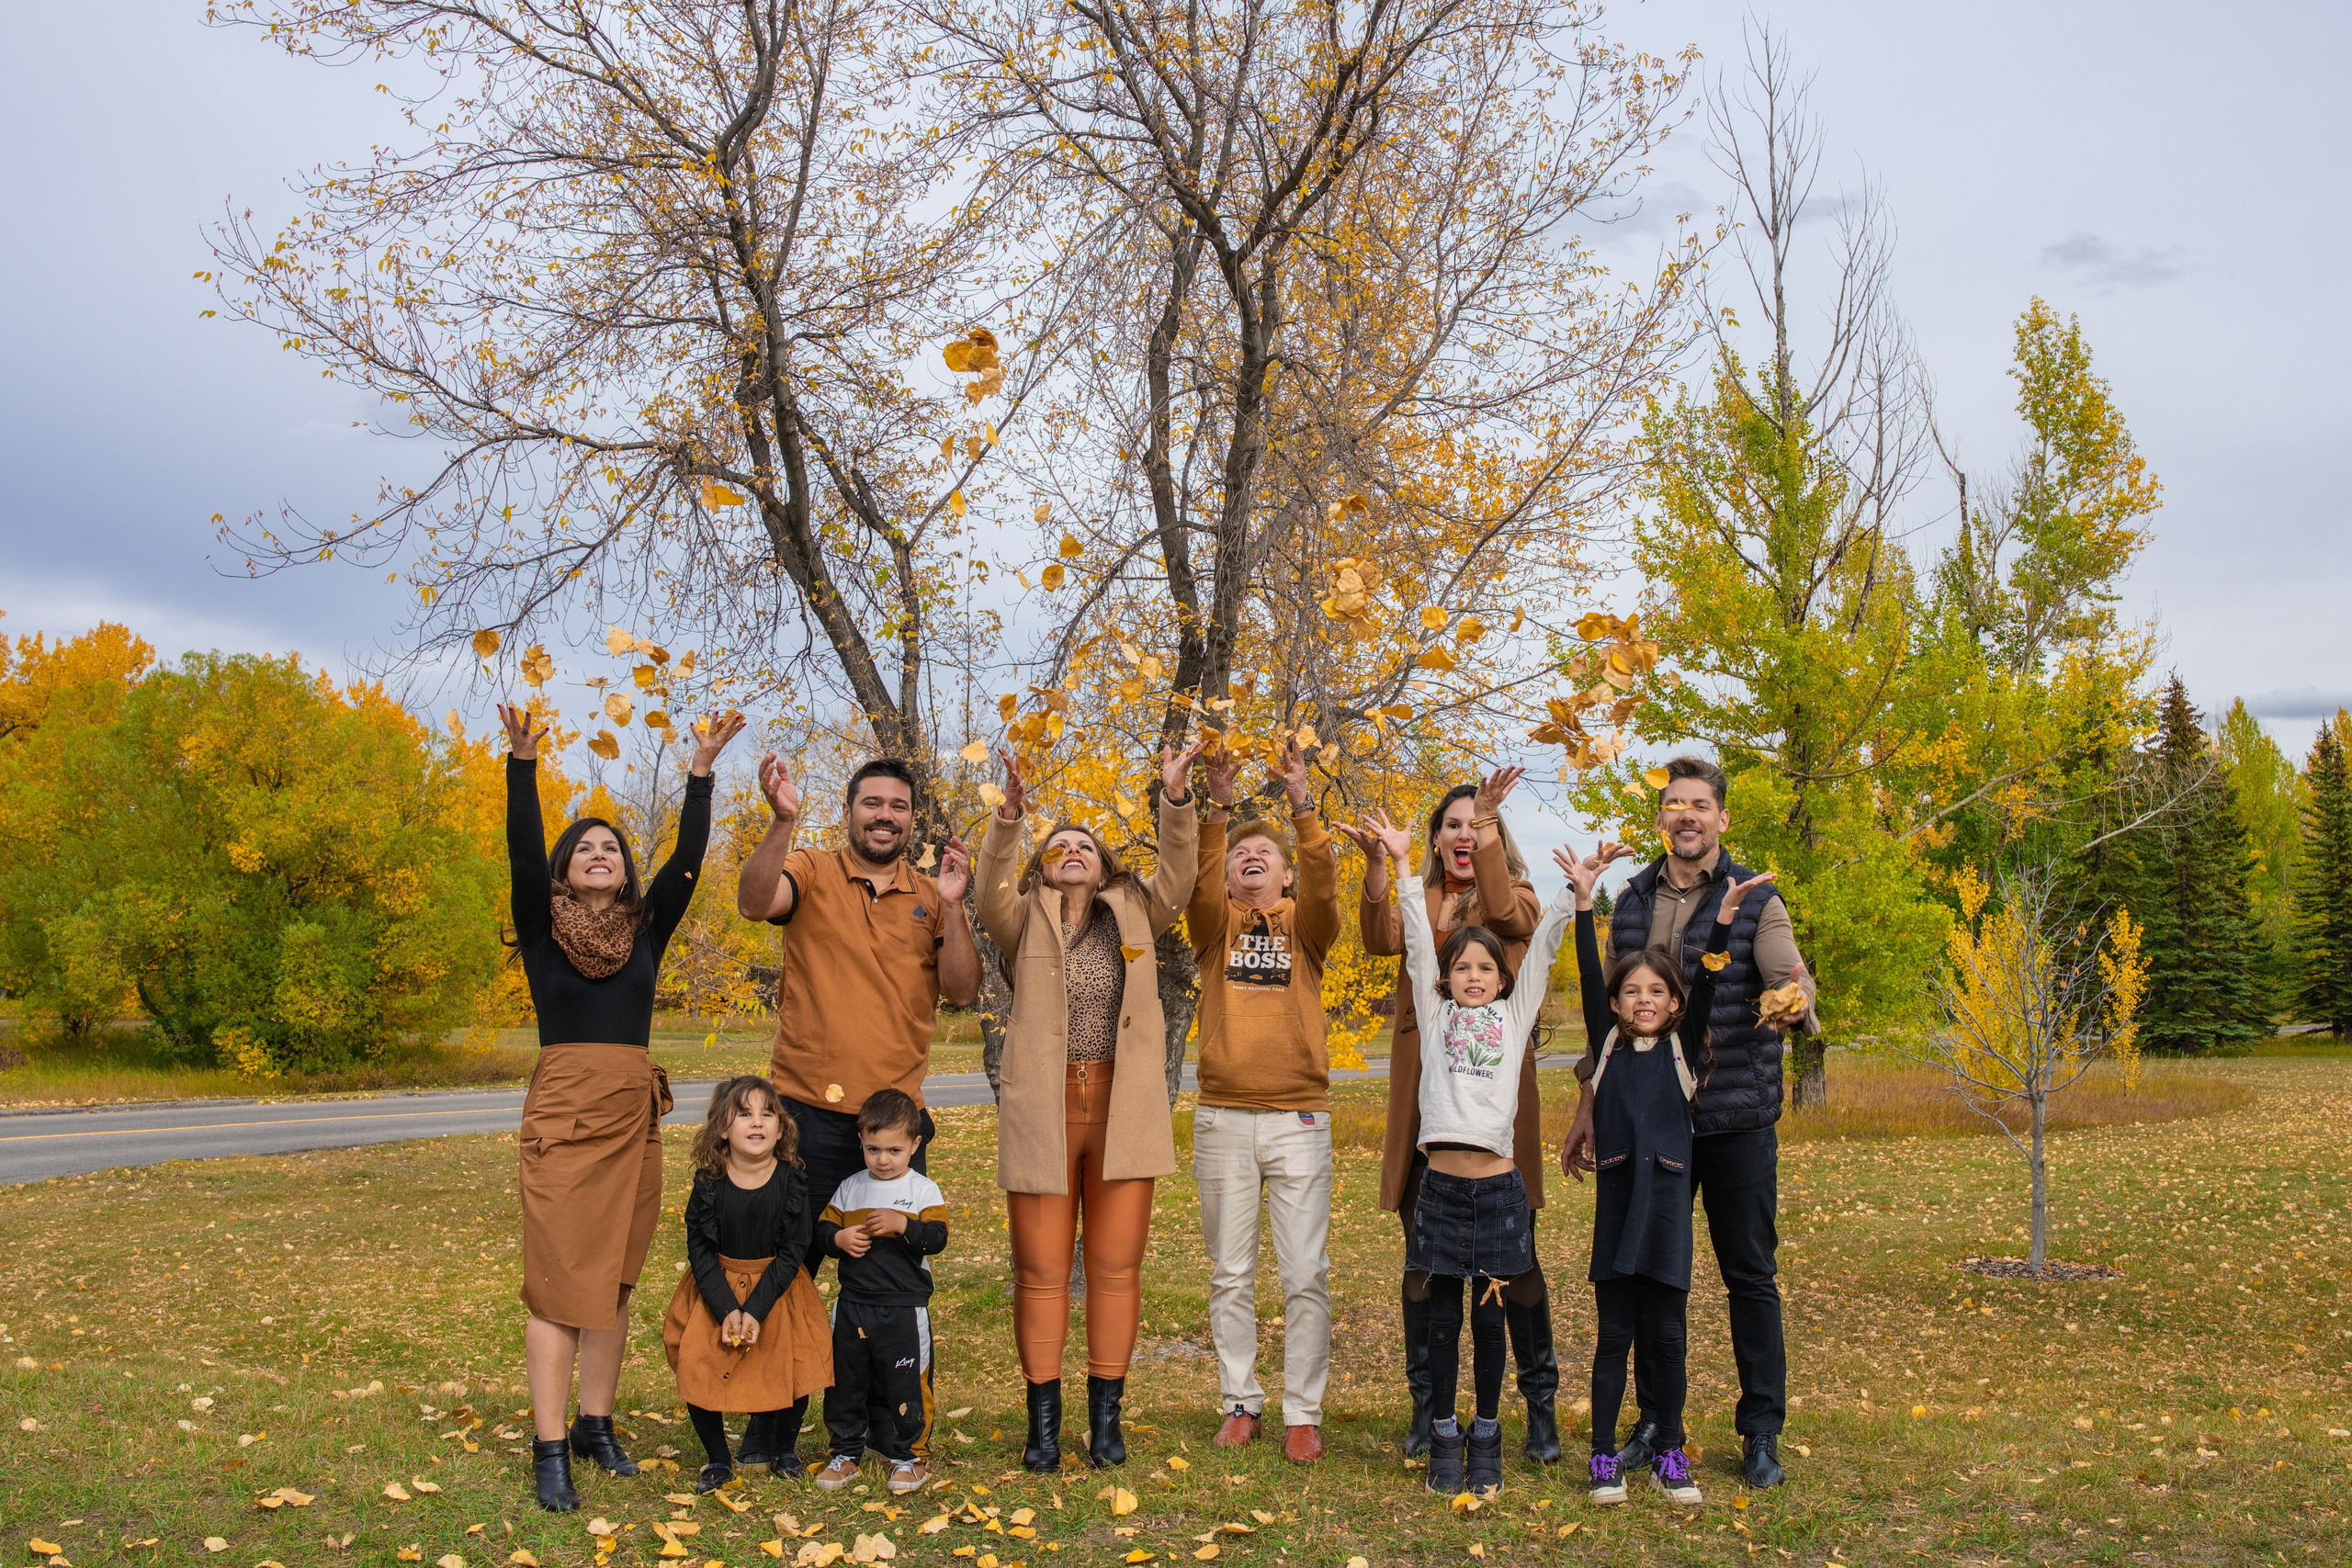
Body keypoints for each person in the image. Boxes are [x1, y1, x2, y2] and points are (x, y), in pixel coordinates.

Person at [499, 701, 744, 1512]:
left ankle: (596, 1424)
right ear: (567, 868)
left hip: (633, 1115)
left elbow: (688, 860)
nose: (597, 854)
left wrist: (700, 772)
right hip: (567, 1113)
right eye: (584, 847)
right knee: (559, 1283)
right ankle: (549, 1446)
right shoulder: (541, 925)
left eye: (611, 847)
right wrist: (524, 764)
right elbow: (523, 856)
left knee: (614, 1281)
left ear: (624, 870)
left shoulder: (645, 930)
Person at [1560, 757, 1815, 1490]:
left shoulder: (1754, 898)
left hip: (1734, 1115)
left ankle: (1761, 1428)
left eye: (1700, 803)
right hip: (1648, 1127)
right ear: (1662, 819)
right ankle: (1652, 1424)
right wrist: (1588, 1106)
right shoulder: (1634, 899)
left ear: (1721, 818)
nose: (1687, 815)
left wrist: (1797, 1001)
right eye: (1674, 803)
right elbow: (1604, 1021)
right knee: (1645, 1276)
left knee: (1748, 1275)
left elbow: (1786, 977)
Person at [735, 754, 978, 1470]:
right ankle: (773, 1428)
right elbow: (754, 901)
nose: (884, 815)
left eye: (897, 806)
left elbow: (962, 990)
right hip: (806, 1114)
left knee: (893, 1279)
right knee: (791, 1270)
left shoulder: (932, 897)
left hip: (892, 1132)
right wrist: (781, 820)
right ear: (849, 811)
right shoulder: (809, 867)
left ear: (911, 818)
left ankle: (889, 1428)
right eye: (871, 802)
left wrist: (957, 906)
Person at [977, 738, 1206, 1472]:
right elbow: (988, 894)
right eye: (1058, 844)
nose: (1071, 850)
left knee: (1114, 1269)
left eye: (1085, 845)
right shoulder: (1022, 914)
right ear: (1044, 863)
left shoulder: (1137, 908)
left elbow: (1181, 875)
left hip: (1121, 1107)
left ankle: (1106, 1423)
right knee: (1040, 1270)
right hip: (1044, 1109)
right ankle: (1042, 1427)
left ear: (1106, 864)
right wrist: (1009, 821)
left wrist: (1175, 798)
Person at [1338, 769, 1563, 1466]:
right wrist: (1385, 863)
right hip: (1425, 1102)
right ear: (1437, 836)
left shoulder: (1513, 893)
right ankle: (1425, 1403)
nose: (1467, 833)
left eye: (1479, 823)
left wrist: (1493, 830)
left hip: (1495, 1108)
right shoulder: (1426, 894)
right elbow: (1385, 936)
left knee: (1514, 1265)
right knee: (1424, 1266)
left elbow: (1512, 918)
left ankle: (1538, 1402)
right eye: (1456, 823)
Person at [1186, 738, 1342, 1464]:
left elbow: (1324, 883)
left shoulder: (1306, 928)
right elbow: (1199, 879)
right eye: (1241, 852)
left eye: (1264, 851)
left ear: (1283, 873)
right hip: (1222, 1116)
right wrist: (1220, 809)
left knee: (1305, 1273)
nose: (1252, 855)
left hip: (1299, 1118)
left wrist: (1301, 804)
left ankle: (1303, 1411)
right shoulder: (1213, 927)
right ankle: (1240, 1400)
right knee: (1230, 1272)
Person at [660, 1076, 831, 1491]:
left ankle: (784, 1450)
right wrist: (727, 1310)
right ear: (723, 1128)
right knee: (700, 1365)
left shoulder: (793, 1182)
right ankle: (718, 1459)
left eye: (767, 1113)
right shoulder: (708, 1184)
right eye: (744, 1114)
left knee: (794, 1367)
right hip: (715, 1285)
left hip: (777, 1288)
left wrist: (754, 1308)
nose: (757, 1122)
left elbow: (795, 1249)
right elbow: (698, 1250)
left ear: (781, 1127)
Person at [811, 1089, 952, 1495]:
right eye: (873, 1149)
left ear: (914, 1144)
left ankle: (910, 1458)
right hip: (853, 1305)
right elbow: (822, 1229)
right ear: (861, 1143)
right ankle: (845, 1453)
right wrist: (837, 1239)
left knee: (906, 1382)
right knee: (845, 1383)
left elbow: (938, 1237)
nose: (883, 1160)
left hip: (903, 1308)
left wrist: (903, 1225)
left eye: (894, 1149)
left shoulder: (923, 1190)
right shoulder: (850, 1187)